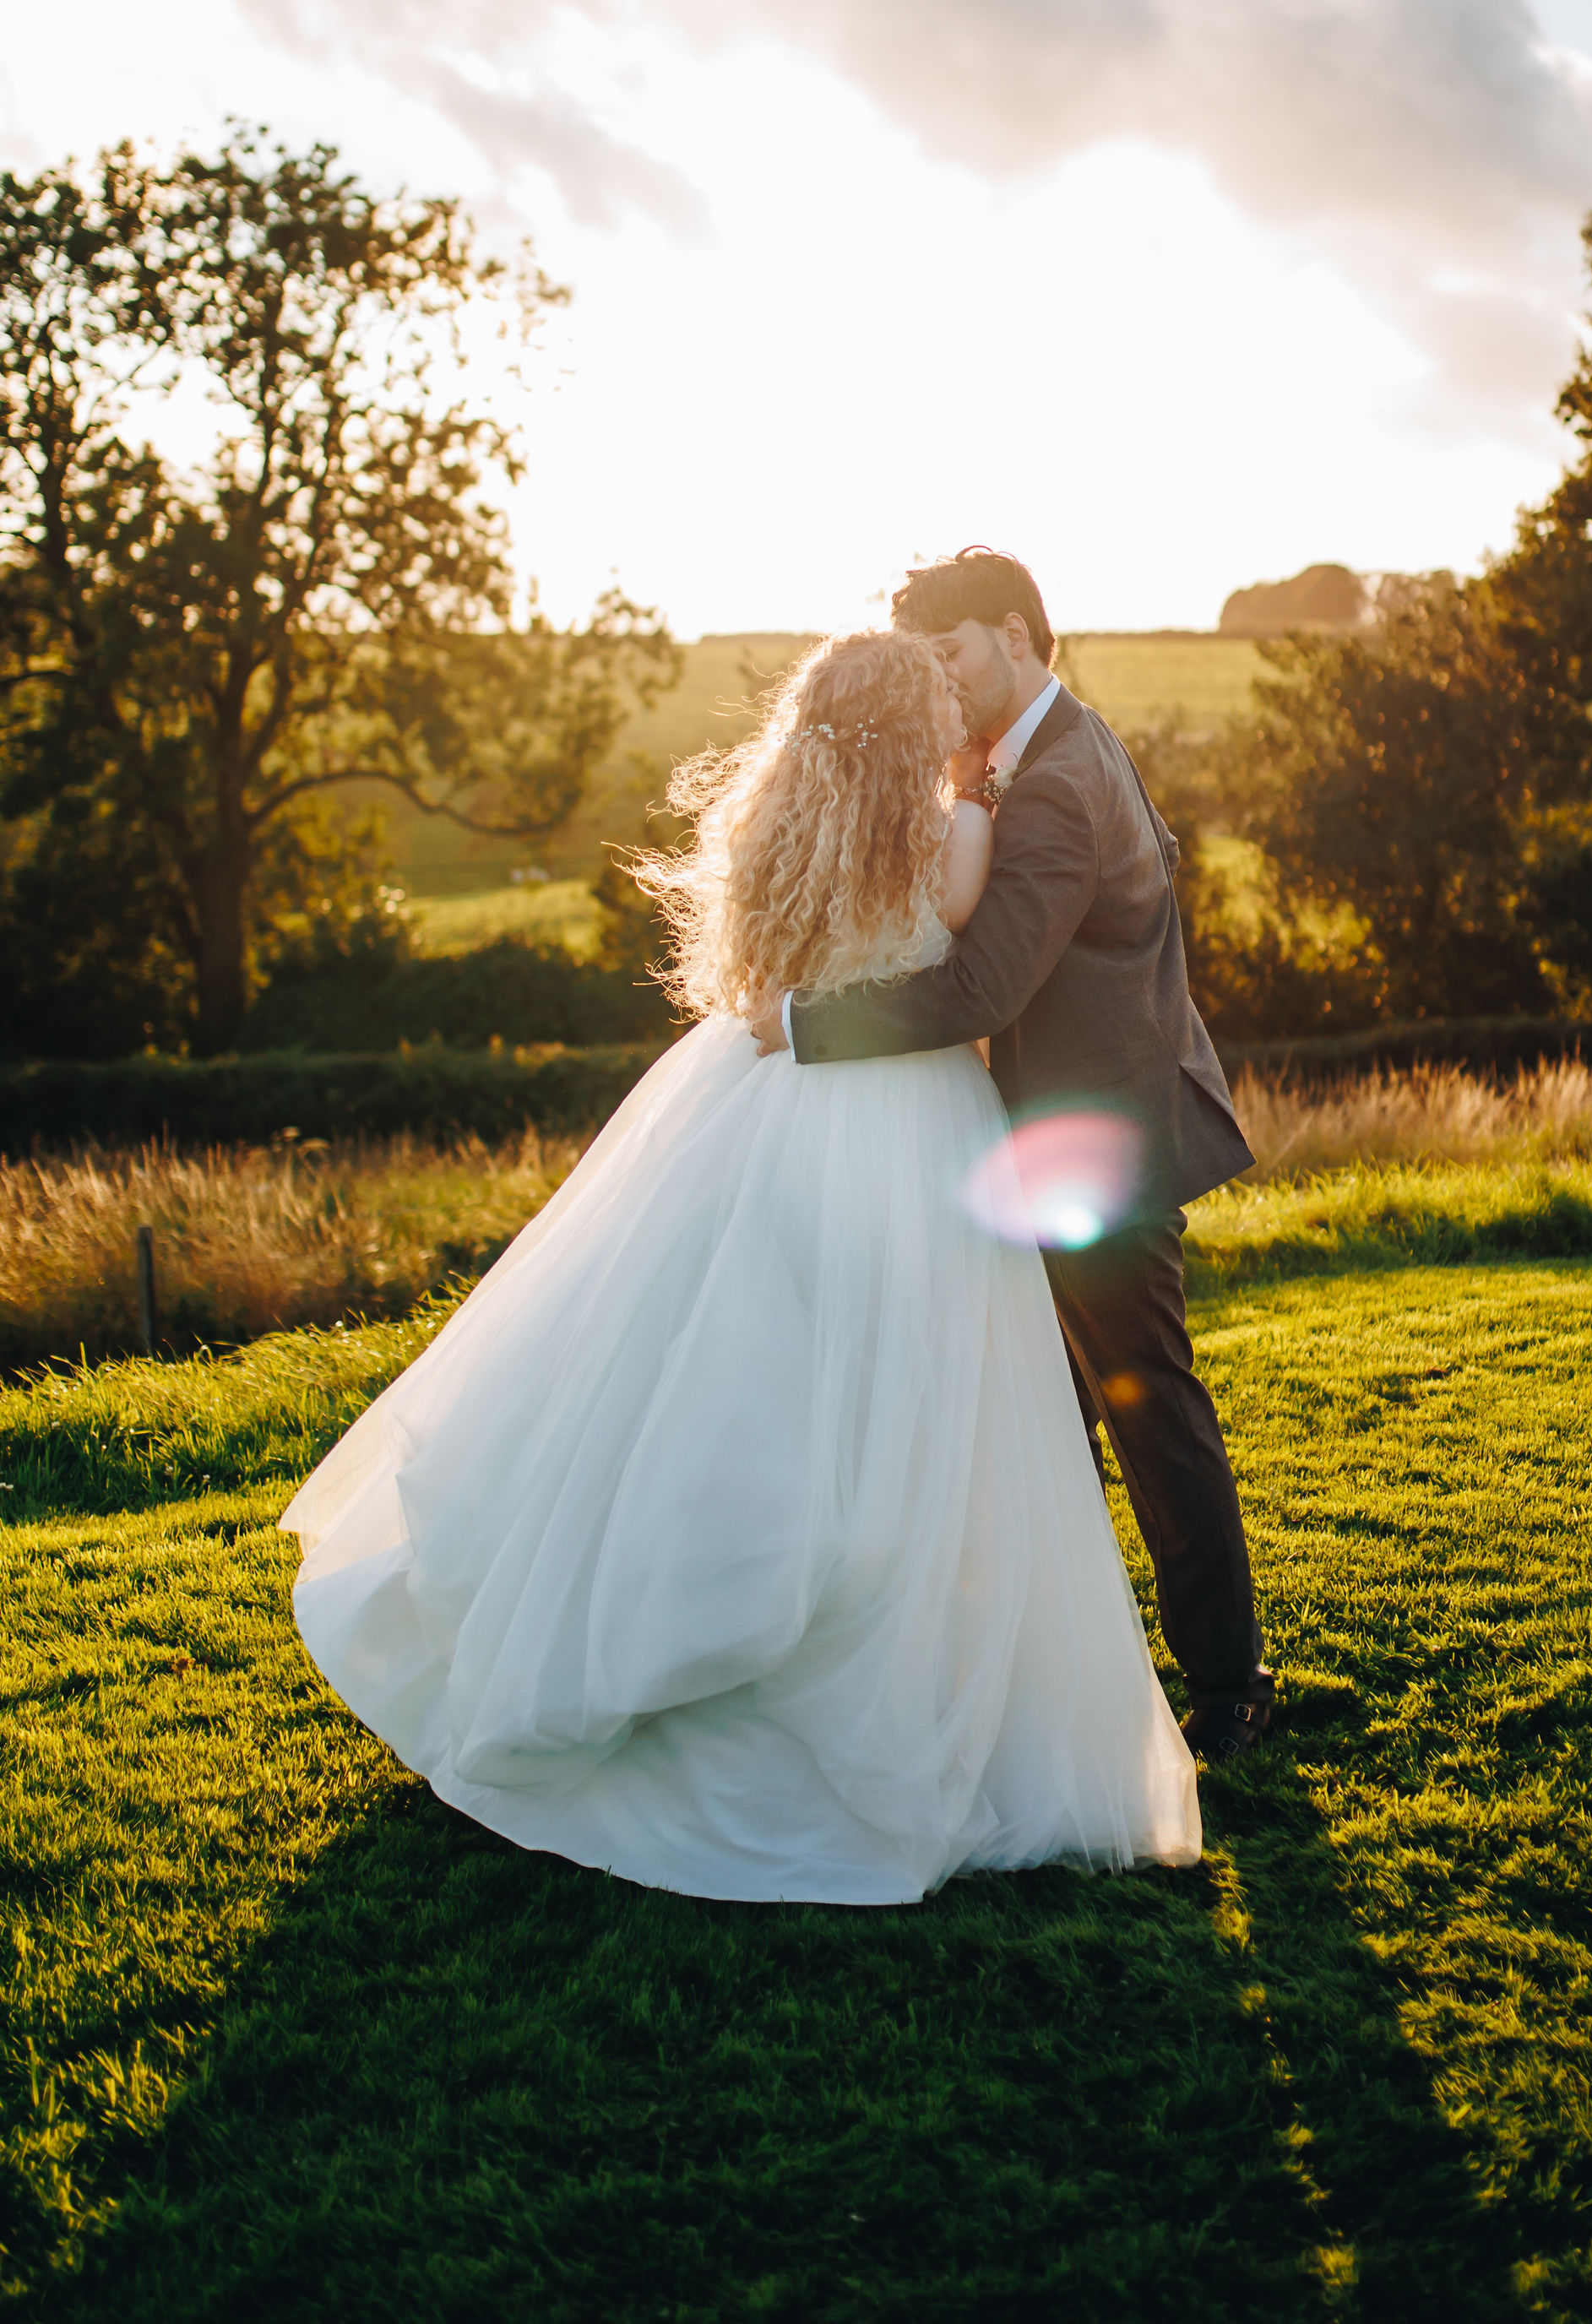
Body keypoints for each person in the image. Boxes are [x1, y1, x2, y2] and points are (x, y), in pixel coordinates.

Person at [281, 628, 1199, 1906]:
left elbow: (768, 980)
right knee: (904, 1402)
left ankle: (681, 1594)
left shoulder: (773, 828)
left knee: (728, 1363)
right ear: (905, 727)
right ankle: (869, 1644)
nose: (955, 714)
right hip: (902, 1127)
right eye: (934, 700)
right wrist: (975, 793)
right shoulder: (954, 841)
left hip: (756, 1106)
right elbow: (972, 973)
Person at [754, 548, 1274, 1765]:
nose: (938, 678)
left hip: (1099, 1152)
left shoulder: (1051, 782)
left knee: (1146, 1404)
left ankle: (1230, 1684)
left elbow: (984, 983)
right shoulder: (1050, 749)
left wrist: (802, 1026)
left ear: (1015, 632)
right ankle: (1070, 1667)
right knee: (1054, 1413)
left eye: (951, 652)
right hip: (1067, 1132)